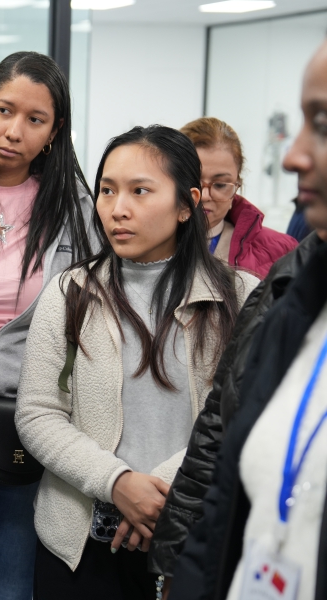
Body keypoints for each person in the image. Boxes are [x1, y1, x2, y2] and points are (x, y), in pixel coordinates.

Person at [16, 125, 258, 599]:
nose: (117, 208)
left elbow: (243, 415)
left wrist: (160, 492)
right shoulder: (71, 291)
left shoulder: (239, 296)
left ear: (187, 204)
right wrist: (117, 483)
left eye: (140, 191)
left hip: (193, 532)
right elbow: (37, 413)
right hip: (80, 545)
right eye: (107, 190)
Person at [0, 50, 97, 600]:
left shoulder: (77, 210)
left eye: (35, 119)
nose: (14, 131)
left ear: (54, 132)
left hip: (26, 417)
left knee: (9, 583)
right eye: (4, 110)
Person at [170, 37, 327, 600]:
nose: (292, 155)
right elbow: (224, 440)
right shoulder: (300, 293)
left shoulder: (277, 265)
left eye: (321, 124)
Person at [180, 117, 297, 278]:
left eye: (220, 185)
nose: (204, 196)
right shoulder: (146, 245)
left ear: (236, 187)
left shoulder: (282, 252)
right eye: (193, 182)